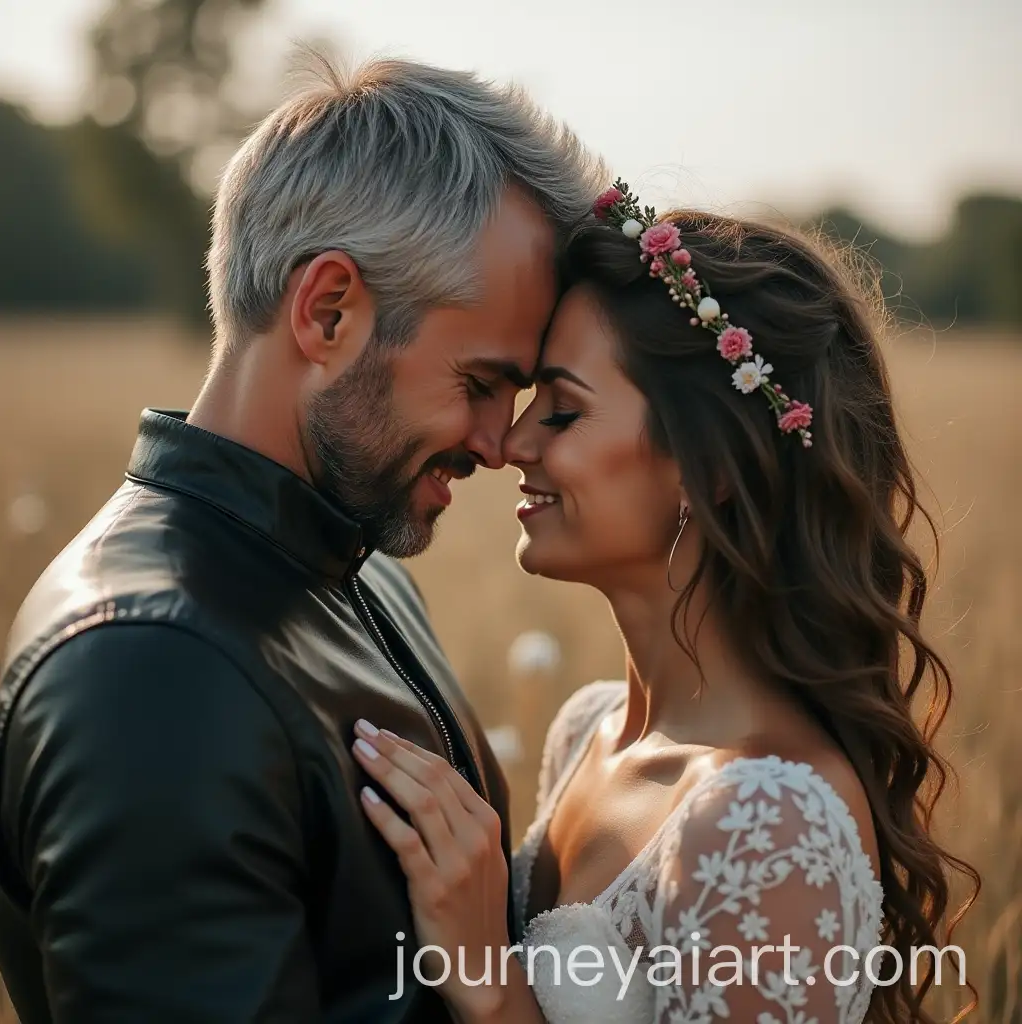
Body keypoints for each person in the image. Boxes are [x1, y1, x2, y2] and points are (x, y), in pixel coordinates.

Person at [0, 58, 604, 1022]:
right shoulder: (150, 673)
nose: (499, 443)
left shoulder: (353, 565)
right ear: (329, 310)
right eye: (482, 383)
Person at [352, 183, 979, 1022]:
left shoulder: (774, 824)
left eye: (565, 411)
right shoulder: (588, 731)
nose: (513, 444)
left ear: (710, 467)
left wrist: (490, 983)